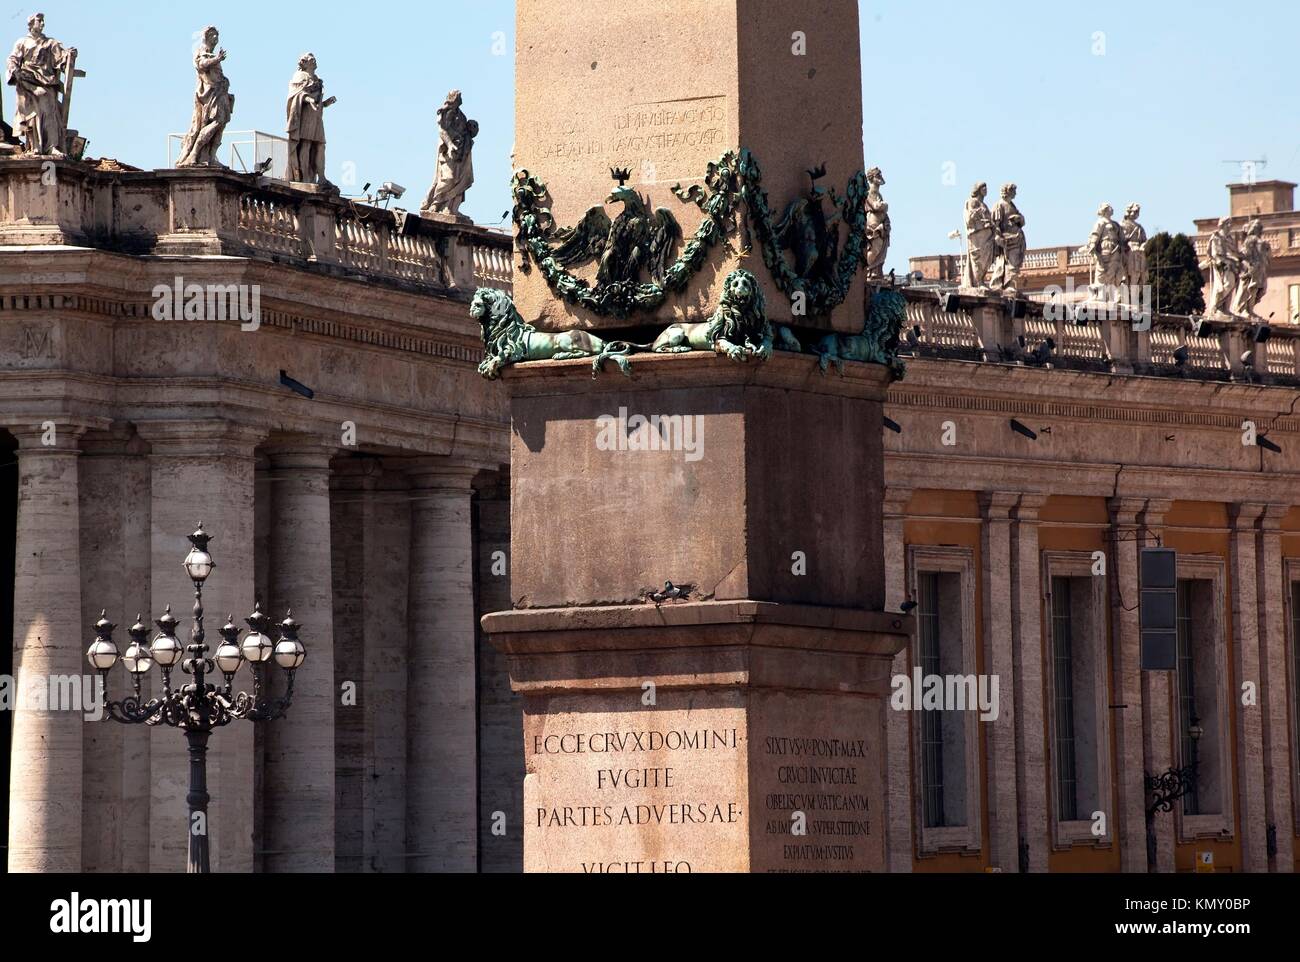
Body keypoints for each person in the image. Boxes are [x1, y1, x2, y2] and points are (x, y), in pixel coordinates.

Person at [6, 12, 75, 157]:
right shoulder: (22, 42)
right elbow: (12, 60)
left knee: (50, 113)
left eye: (43, 21)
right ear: (31, 24)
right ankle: (34, 146)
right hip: (26, 83)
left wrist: (69, 54)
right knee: (31, 115)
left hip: (46, 82)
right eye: (39, 21)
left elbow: (62, 59)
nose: (42, 24)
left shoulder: (50, 43)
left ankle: (51, 147)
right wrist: (16, 72)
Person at [176, 26, 234, 168]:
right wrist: (217, 59)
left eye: (216, 35)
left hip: (220, 93)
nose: (216, 38)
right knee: (216, 122)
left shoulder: (211, 54)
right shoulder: (201, 52)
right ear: (206, 37)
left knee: (221, 124)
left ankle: (211, 156)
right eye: (213, 35)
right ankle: (195, 153)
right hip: (210, 95)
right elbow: (201, 65)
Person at [285, 53, 334, 185]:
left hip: (317, 117)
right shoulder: (299, 76)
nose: (314, 61)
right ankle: (306, 177)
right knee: (306, 145)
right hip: (305, 116)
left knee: (320, 146)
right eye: (312, 60)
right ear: (304, 63)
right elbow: (295, 95)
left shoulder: (316, 78)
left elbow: (317, 102)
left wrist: (325, 103)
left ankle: (321, 177)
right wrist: (309, 99)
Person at [961, 182, 995, 289]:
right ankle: (978, 282)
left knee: (986, 259)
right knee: (978, 258)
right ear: (978, 189)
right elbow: (969, 218)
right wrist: (977, 214)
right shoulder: (972, 202)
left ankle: (981, 280)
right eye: (983, 187)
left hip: (987, 236)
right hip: (977, 235)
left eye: (986, 187)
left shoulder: (984, 205)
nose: (985, 189)